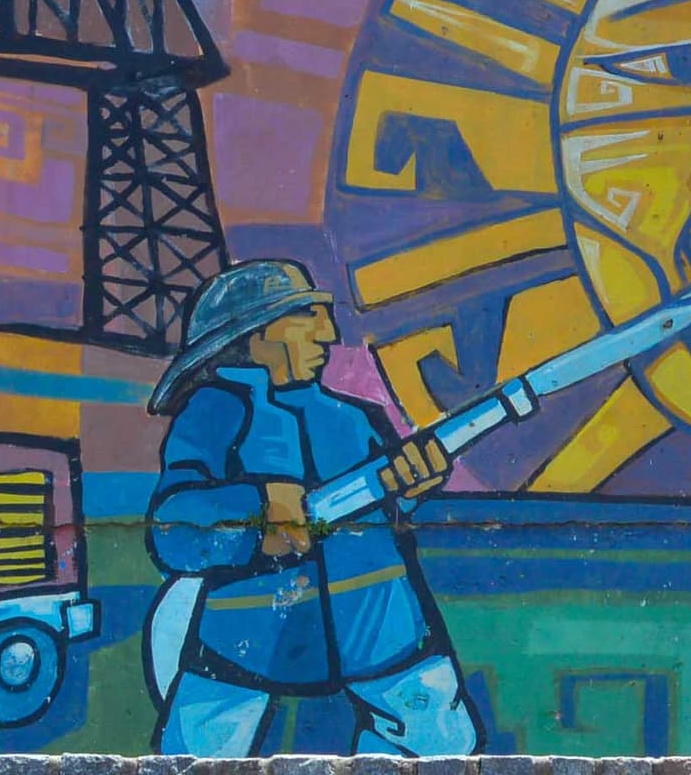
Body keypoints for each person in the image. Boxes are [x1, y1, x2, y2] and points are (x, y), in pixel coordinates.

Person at [142, 258, 474, 756]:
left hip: (383, 629)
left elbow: (386, 505)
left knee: (441, 743)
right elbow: (173, 526)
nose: (327, 333)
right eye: (307, 317)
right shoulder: (214, 411)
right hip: (246, 640)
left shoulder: (352, 418)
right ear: (255, 338)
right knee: (197, 754)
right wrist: (258, 508)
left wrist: (410, 484)